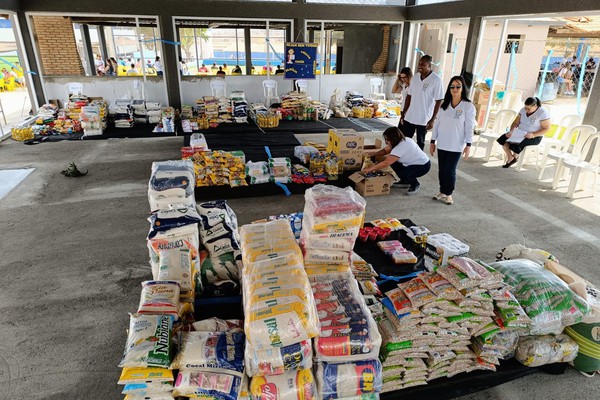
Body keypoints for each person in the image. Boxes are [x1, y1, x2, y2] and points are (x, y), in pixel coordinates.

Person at [429, 76, 475, 205]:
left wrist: (468, 144)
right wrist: (433, 141)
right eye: (452, 86)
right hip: (442, 143)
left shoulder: (468, 106)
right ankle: (442, 191)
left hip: (456, 144)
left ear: (463, 88)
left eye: (458, 86)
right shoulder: (445, 105)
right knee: (442, 169)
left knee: (450, 169)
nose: (455, 89)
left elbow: (469, 127)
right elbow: (437, 124)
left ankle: (449, 193)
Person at [362, 126, 431, 195]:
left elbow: (386, 163)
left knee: (403, 173)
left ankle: (415, 184)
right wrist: (374, 154)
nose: (386, 142)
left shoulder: (401, 146)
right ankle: (405, 181)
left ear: (393, 138)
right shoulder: (400, 141)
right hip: (411, 163)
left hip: (423, 166)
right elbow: (385, 151)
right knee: (394, 163)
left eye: (388, 140)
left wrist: (369, 169)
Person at [400, 55, 444, 150]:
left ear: (429, 65)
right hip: (410, 116)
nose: (420, 66)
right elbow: (409, 96)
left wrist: (432, 119)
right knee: (404, 140)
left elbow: (439, 100)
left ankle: (417, 162)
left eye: (423, 64)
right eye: (419, 64)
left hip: (424, 119)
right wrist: (404, 113)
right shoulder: (415, 77)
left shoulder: (436, 80)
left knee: (420, 143)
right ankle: (404, 158)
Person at [496, 97, 551, 168]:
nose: (526, 110)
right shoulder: (523, 110)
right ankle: (511, 157)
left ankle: (515, 157)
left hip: (534, 137)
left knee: (517, 143)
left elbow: (546, 128)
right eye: (525, 108)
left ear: (535, 106)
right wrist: (512, 131)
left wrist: (533, 134)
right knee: (503, 139)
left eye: (528, 109)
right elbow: (516, 123)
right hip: (520, 133)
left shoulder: (542, 113)